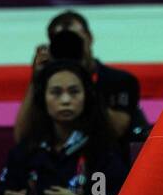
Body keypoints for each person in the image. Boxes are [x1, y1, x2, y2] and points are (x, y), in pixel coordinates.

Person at [13, 10, 150, 150]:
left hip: (107, 163)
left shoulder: (120, 80)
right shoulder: (51, 85)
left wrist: (82, 77)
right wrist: (36, 78)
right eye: (62, 40)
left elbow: (116, 131)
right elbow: (22, 137)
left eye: (74, 38)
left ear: (89, 38)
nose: (69, 45)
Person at [0, 59, 128, 195]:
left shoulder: (102, 153)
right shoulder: (25, 152)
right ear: (43, 98)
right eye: (56, 92)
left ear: (87, 96)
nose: (65, 100)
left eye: (74, 92)